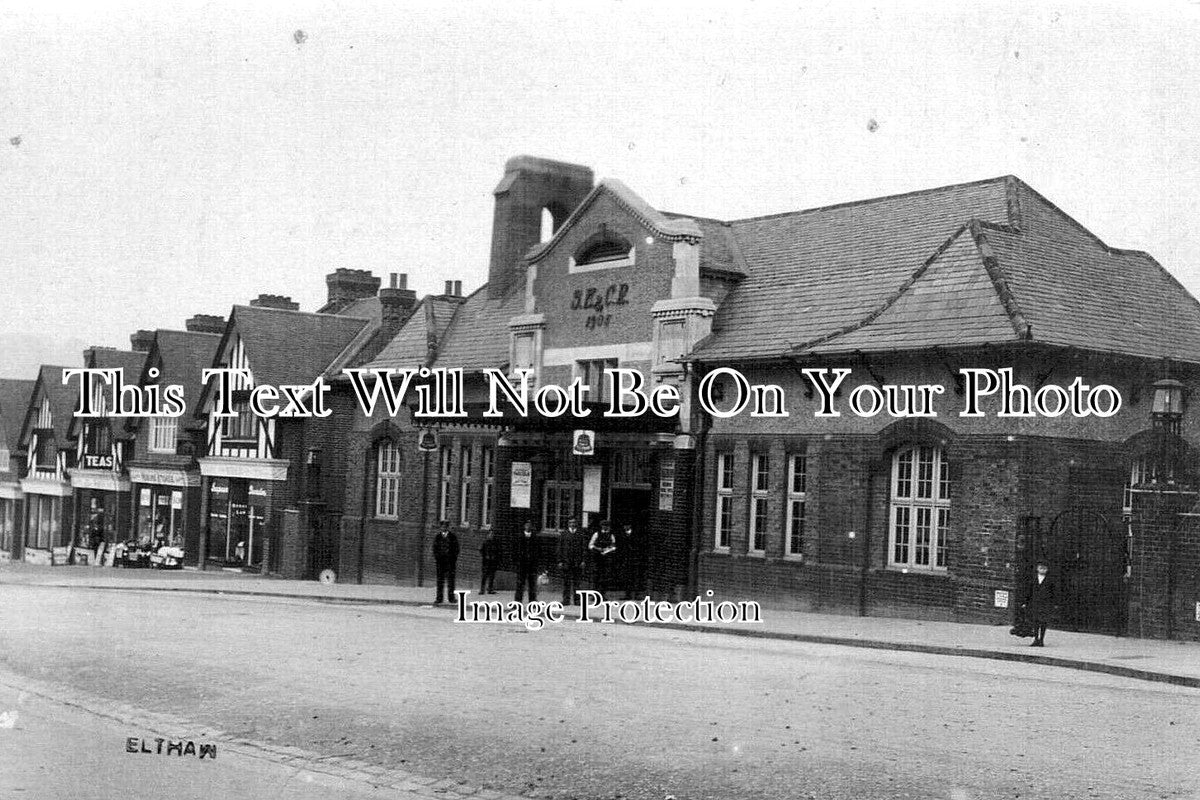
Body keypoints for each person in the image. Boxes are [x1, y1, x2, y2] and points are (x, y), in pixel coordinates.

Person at [1022, 560, 1056, 647]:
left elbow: (1053, 593)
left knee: (1043, 622)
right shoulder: (1033, 579)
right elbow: (1028, 591)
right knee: (1035, 621)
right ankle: (1036, 639)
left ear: (1047, 570)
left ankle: (1041, 640)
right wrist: (1025, 602)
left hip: (1045, 603)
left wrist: (1054, 603)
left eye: (1044, 569)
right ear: (1037, 569)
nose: (1043, 570)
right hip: (1035, 603)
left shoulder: (1050, 580)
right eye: (1041, 568)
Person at [557, 519, 587, 606]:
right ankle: (566, 600)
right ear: (568, 524)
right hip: (566, 561)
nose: (572, 524)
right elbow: (560, 548)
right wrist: (560, 561)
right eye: (570, 522)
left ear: (576, 523)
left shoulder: (580, 534)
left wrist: (583, 560)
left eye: (574, 522)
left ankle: (577, 600)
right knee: (566, 582)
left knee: (577, 582)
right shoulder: (564, 534)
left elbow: (584, 548)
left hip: (577, 561)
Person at [588, 520, 618, 599]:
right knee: (596, 577)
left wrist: (607, 550)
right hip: (597, 558)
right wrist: (597, 549)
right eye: (604, 525)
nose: (605, 527)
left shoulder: (611, 535)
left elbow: (614, 546)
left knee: (604, 577)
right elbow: (590, 545)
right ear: (601, 526)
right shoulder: (596, 534)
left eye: (607, 526)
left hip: (606, 558)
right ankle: (595, 595)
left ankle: (602, 595)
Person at [432, 521, 460, 605]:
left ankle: (451, 598)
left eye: (445, 527)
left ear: (447, 528)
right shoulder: (438, 537)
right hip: (440, 562)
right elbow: (435, 548)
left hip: (450, 562)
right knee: (440, 581)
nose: (443, 528)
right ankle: (439, 598)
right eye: (442, 527)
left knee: (451, 581)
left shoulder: (452, 537)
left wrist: (453, 559)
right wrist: (437, 558)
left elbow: (456, 549)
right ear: (440, 528)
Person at [618, 521, 647, 600]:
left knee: (635, 576)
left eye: (627, 525)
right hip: (625, 559)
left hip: (634, 559)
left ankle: (636, 594)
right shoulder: (621, 535)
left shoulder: (635, 535)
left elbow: (639, 545)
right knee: (626, 576)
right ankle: (627, 594)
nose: (625, 527)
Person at [514, 521, 540, 602]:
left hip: (532, 565)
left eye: (529, 525)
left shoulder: (534, 537)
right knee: (520, 583)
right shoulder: (519, 537)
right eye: (526, 525)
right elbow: (515, 551)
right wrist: (517, 562)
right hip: (522, 564)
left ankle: (532, 600)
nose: (528, 526)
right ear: (524, 526)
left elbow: (538, 551)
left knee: (532, 583)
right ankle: (518, 601)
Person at [479, 529, 500, 594]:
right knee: (484, 576)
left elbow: (498, 551)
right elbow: (481, 550)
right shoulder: (485, 542)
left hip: (493, 561)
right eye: (490, 534)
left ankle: (490, 589)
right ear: (488, 535)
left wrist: (495, 557)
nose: (491, 535)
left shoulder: (495, 543)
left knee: (492, 576)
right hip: (486, 562)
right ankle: (482, 589)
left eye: (492, 534)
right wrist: (485, 556)